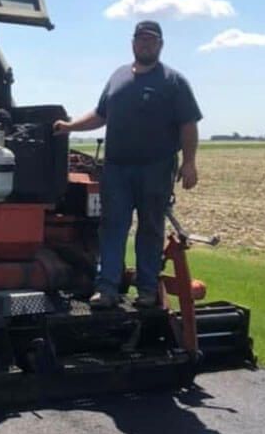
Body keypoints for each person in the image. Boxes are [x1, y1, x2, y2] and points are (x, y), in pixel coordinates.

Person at [54, 20, 201, 309]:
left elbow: (188, 124)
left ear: (160, 45)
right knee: (112, 227)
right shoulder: (118, 77)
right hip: (117, 169)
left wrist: (190, 162)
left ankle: (147, 290)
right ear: (133, 43)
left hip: (156, 168)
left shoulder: (174, 81)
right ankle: (107, 287)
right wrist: (70, 126)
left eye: (151, 40)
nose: (145, 44)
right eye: (141, 39)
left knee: (150, 228)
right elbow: (100, 115)